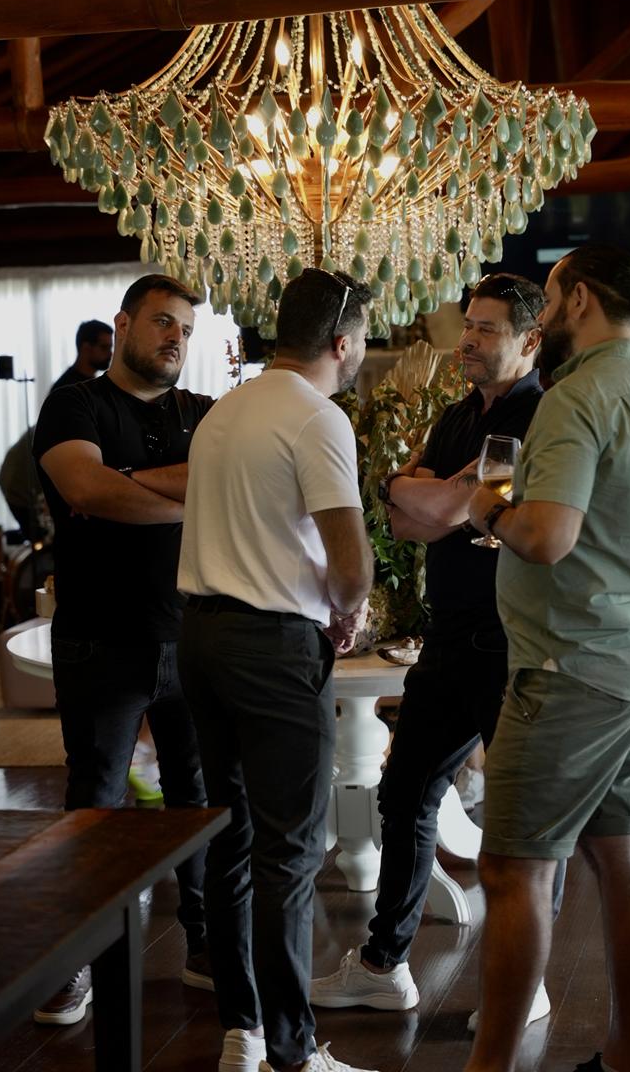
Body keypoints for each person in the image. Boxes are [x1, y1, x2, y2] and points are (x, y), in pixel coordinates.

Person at [465, 244, 630, 1072]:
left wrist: (487, 508)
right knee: (626, 854)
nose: (543, 314)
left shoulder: (575, 398)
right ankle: (627, 1057)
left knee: (511, 870)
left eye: (552, 294)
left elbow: (546, 536)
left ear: (579, 302)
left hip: (569, 674)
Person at [310, 272, 552, 1031]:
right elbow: (411, 517)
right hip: (447, 640)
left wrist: (433, 494)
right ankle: (384, 966)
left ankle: (527, 984)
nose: (467, 340)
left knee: (521, 821)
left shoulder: (541, 415)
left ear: (530, 340)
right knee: (405, 794)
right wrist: (420, 490)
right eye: (467, 324)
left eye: (486, 329)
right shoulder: (456, 417)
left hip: (510, 641)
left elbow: (446, 504)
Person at [177, 267, 376, 1072]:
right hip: (272, 648)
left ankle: (244, 1031)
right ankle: (293, 1055)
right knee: (289, 853)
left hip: (200, 640)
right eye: (363, 338)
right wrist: (348, 608)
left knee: (232, 841)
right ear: (341, 343)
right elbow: (350, 564)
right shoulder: (318, 417)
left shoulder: (224, 411)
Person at [31, 274, 213, 1024]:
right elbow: (87, 491)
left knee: (198, 799)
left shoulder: (203, 411)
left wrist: (127, 481)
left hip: (195, 634)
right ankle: (76, 963)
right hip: (99, 639)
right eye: (163, 321)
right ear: (124, 324)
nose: (175, 338)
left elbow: (231, 482)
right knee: (96, 804)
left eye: (186, 330)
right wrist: (183, 499)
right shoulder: (75, 404)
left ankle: (206, 946)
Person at [0, 426, 48, 542]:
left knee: (37, 534)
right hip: (17, 484)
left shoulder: (46, 424)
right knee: (38, 537)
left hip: (12, 479)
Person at [49, 318, 113, 392]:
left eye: (110, 347)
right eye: (104, 347)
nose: (111, 353)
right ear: (86, 348)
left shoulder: (94, 383)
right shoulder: (66, 389)